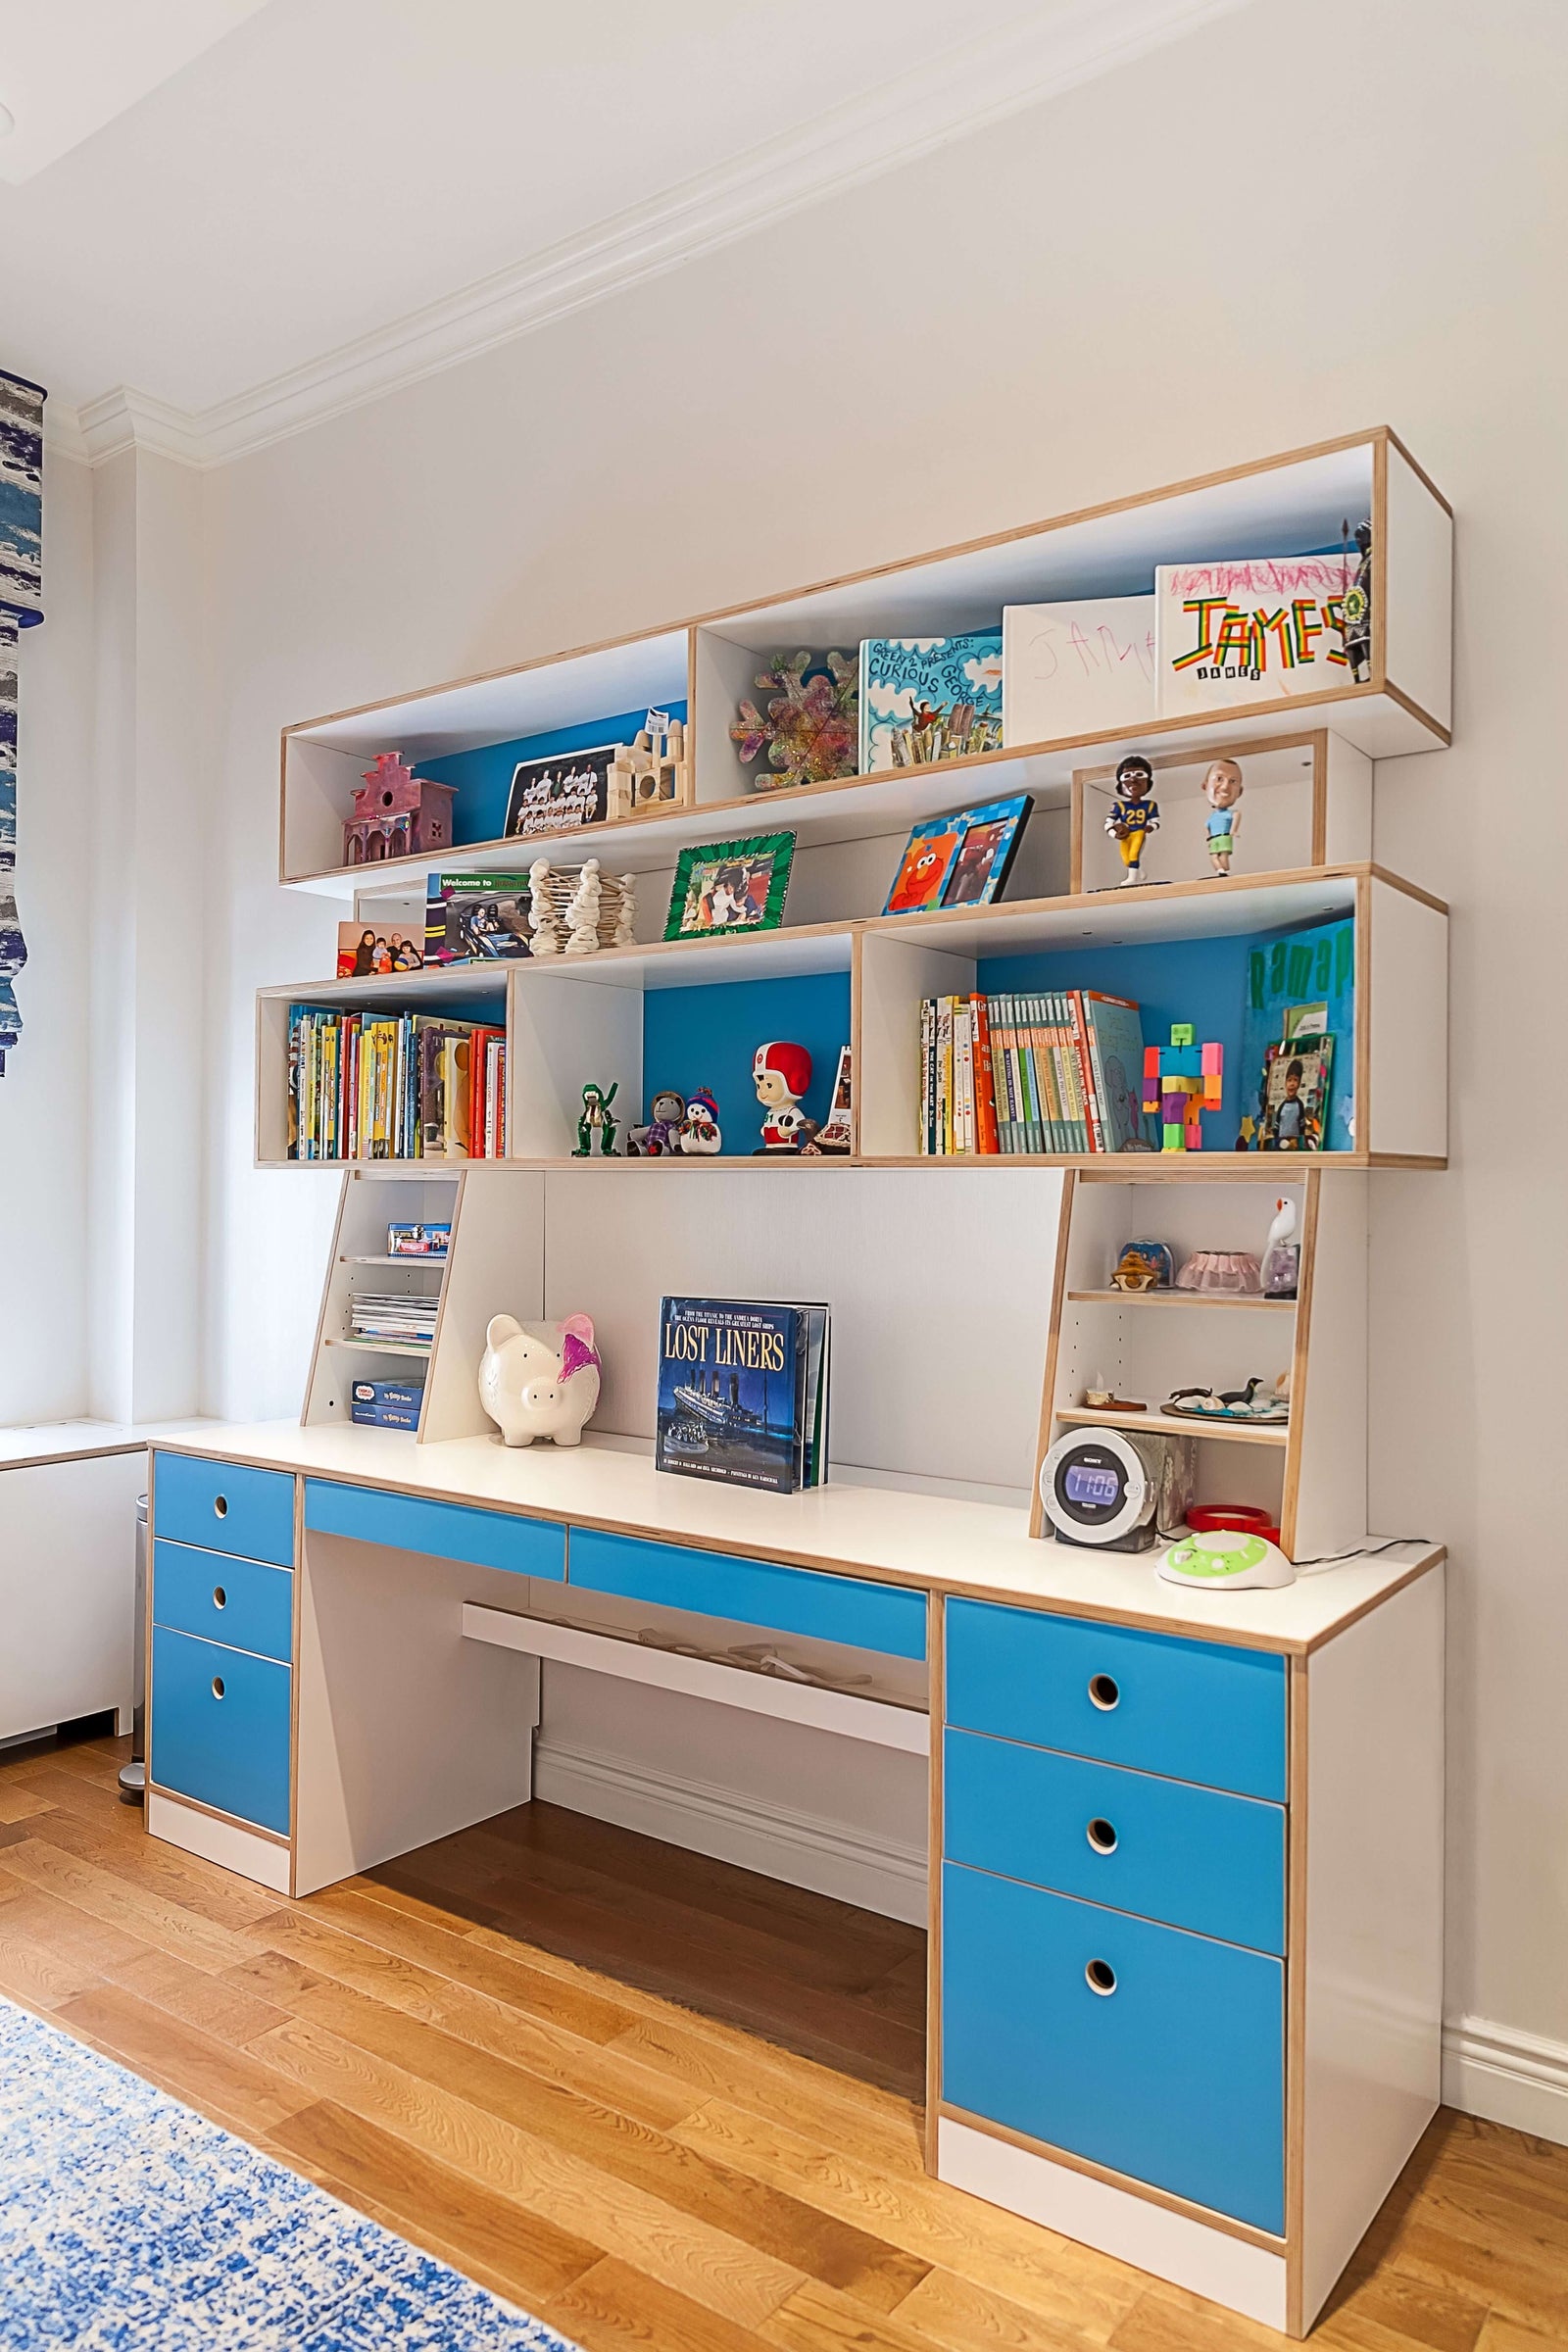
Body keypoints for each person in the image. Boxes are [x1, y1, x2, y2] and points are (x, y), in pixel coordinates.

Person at [1104, 754, 1160, 884]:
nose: (1133, 780)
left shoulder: (1150, 805)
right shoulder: (1119, 806)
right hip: (1126, 834)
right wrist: (1114, 834)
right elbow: (1108, 823)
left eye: (1139, 775)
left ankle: (1132, 878)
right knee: (1126, 859)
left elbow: (1155, 821)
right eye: (1127, 776)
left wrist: (1151, 827)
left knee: (1134, 853)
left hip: (1139, 831)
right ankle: (1138, 869)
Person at [1200, 758, 1244, 875]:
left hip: (1224, 837)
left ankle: (1224, 873)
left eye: (1233, 781)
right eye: (1219, 779)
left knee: (1223, 855)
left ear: (1239, 791)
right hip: (1214, 838)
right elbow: (1206, 827)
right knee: (1214, 856)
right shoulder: (1212, 817)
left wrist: (1233, 831)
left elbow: (1236, 815)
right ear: (1205, 786)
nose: (1225, 787)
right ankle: (1221, 871)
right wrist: (1208, 837)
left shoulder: (1230, 813)